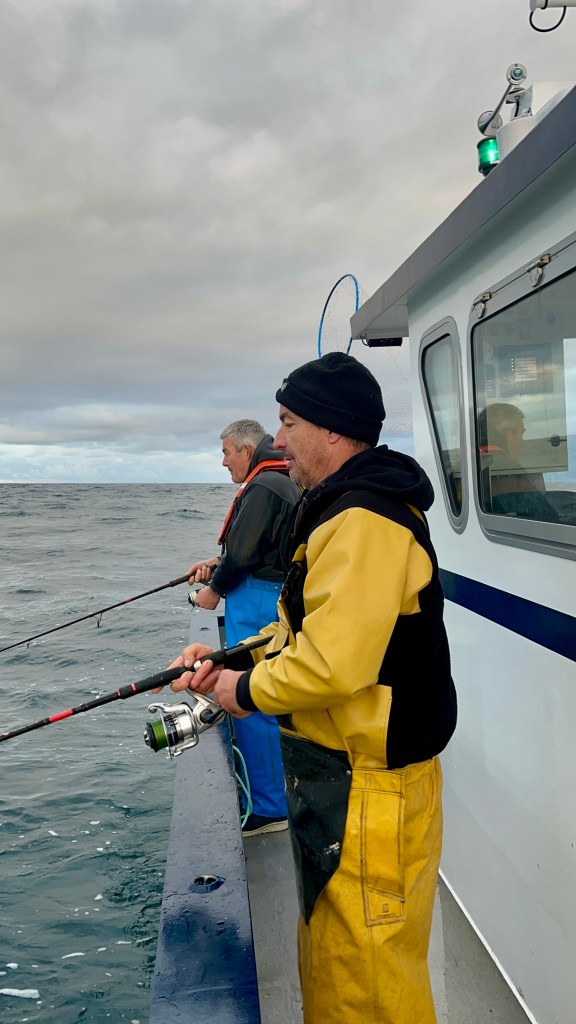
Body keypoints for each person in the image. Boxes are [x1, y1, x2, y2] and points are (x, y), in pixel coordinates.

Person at [166, 354, 457, 1024]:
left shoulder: (365, 520)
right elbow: (307, 631)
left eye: (289, 422)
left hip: (371, 792)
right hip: (343, 782)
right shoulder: (343, 510)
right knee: (337, 964)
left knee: (370, 983)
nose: (279, 439)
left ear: (331, 431)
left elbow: (331, 667)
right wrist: (228, 657)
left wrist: (238, 693)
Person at [187, 419, 301, 837]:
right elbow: (253, 548)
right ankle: (274, 795)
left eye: (226, 453)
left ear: (246, 452)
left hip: (256, 601)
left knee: (250, 700)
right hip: (266, 594)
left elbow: (246, 553)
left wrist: (214, 589)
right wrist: (219, 564)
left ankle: (269, 808)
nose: (223, 462)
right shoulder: (277, 482)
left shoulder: (264, 487)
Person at [478, 403, 558, 520]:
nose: (522, 442)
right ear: (507, 434)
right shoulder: (507, 469)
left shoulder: (469, 464)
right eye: (521, 433)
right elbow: (547, 516)